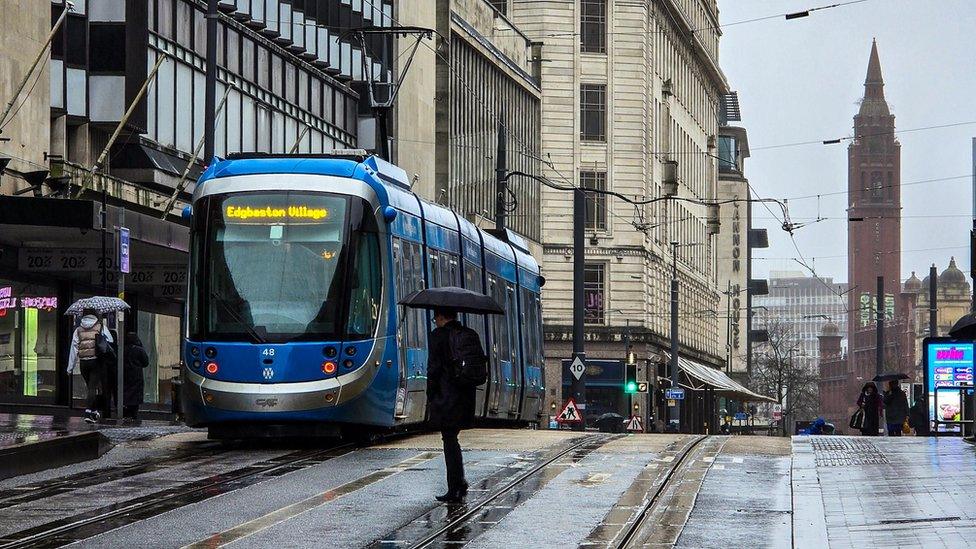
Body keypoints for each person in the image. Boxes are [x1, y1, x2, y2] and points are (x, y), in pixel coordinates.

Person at [426, 308, 484, 504]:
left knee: (449, 440)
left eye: (436, 318)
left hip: (446, 395)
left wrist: (431, 394)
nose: (435, 321)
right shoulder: (470, 334)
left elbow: (433, 369)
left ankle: (456, 487)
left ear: (441, 317)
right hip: (465, 396)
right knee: (452, 439)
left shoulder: (438, 336)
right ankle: (458, 483)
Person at [67, 309, 114, 423]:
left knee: (90, 387)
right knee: (93, 388)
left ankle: (93, 411)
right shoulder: (100, 326)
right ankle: (88, 412)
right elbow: (110, 340)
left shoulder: (78, 330)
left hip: (83, 363)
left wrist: (70, 368)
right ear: (95, 315)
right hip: (96, 361)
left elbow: (73, 349)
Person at [122, 332, 150, 421]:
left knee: (126, 393)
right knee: (136, 395)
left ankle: (127, 413)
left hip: (125, 374)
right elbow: (146, 362)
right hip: (136, 375)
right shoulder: (139, 350)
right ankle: (133, 414)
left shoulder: (123, 349)